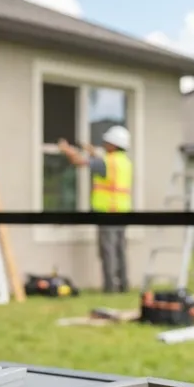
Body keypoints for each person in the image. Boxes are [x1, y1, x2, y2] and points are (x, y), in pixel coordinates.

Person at [57, 125, 132, 293]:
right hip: (122, 212)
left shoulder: (107, 162)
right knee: (120, 250)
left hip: (108, 212)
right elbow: (101, 161)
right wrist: (90, 150)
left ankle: (110, 288)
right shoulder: (123, 161)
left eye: (107, 142)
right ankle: (123, 285)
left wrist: (67, 150)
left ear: (114, 145)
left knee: (108, 251)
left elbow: (79, 162)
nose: (104, 144)